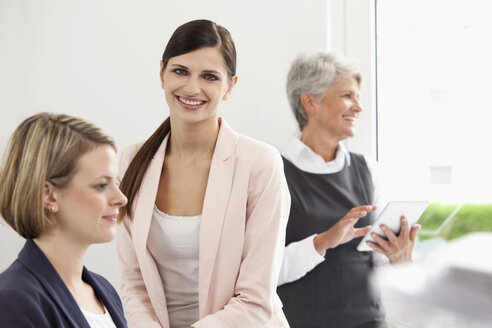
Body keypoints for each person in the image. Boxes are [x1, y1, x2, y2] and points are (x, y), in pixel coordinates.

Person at [116, 19, 290, 328]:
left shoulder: (260, 163)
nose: (192, 88)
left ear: (230, 86)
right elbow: (134, 283)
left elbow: (255, 298)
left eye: (209, 76)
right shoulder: (131, 161)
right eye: (180, 71)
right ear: (161, 73)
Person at [276, 53, 421, 328]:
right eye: (347, 95)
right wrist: (323, 241)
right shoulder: (273, 171)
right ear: (310, 102)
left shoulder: (369, 170)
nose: (359, 107)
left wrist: (399, 260)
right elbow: (261, 273)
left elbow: (380, 262)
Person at [0, 113, 128, 328]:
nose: (121, 198)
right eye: (101, 185)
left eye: (116, 182)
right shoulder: (12, 300)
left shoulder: (105, 291)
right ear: (48, 195)